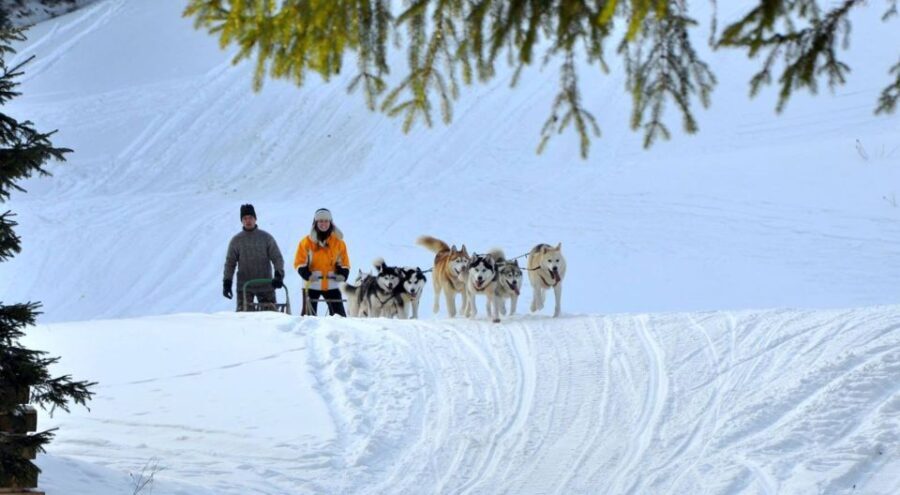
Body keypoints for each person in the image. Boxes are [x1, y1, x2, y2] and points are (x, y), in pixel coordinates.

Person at [223, 204, 286, 311]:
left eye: (250, 218)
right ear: (241, 221)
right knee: (244, 318)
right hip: (245, 286)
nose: (248, 221)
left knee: (270, 317)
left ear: (255, 219)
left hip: (265, 284)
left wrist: (278, 275)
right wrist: (227, 282)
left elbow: (277, 258)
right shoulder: (236, 240)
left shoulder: (266, 238)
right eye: (245, 218)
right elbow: (230, 263)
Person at [293, 208, 350, 316]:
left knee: (340, 318)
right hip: (311, 284)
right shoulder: (306, 242)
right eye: (320, 221)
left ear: (330, 222)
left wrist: (343, 274)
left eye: (326, 221)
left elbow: (345, 263)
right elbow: (299, 262)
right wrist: (307, 275)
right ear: (315, 223)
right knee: (307, 318)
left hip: (332, 284)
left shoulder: (339, 243)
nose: (323, 224)